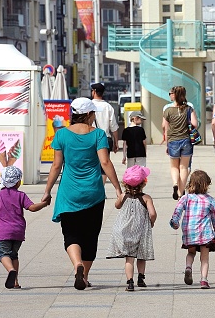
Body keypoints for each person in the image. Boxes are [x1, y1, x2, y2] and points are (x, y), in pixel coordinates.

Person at [42, 97, 123, 290]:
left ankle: (77, 264)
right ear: (88, 115)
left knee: (71, 233)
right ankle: (84, 275)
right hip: (93, 193)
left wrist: (47, 191)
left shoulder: (61, 135)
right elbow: (105, 163)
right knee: (90, 235)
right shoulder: (98, 135)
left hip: (69, 193)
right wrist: (118, 189)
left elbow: (56, 166)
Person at [0, 166, 51, 289]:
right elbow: (32, 208)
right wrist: (44, 203)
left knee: (3, 254)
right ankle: (15, 282)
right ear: (18, 182)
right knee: (14, 255)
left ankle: (10, 270)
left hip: (3, 232)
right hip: (18, 232)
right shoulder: (21, 195)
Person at [170, 170, 215, 289]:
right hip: (205, 234)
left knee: (191, 252)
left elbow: (177, 211)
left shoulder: (186, 198)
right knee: (204, 258)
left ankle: (188, 267)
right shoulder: (210, 200)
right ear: (206, 185)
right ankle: (204, 280)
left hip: (190, 232)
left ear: (191, 184)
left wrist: (175, 223)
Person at [107, 165, 157, 292]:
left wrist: (119, 197)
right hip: (140, 232)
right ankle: (141, 278)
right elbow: (152, 213)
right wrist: (151, 222)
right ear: (143, 183)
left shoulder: (123, 196)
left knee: (129, 258)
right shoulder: (146, 198)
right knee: (141, 256)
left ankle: (130, 282)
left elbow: (117, 206)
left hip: (125, 231)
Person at [162, 86, 198, 200]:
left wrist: (167, 144)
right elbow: (195, 124)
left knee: (174, 167)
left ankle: (175, 184)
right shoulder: (189, 109)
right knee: (184, 167)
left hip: (173, 141)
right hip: (186, 140)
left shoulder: (167, 110)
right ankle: (180, 193)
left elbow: (165, 127)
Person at [91, 82, 120, 183]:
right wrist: (116, 142)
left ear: (94, 92)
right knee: (104, 164)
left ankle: (93, 186)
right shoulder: (108, 107)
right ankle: (101, 187)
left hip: (90, 138)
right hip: (105, 139)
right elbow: (114, 127)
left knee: (92, 164)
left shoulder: (89, 106)